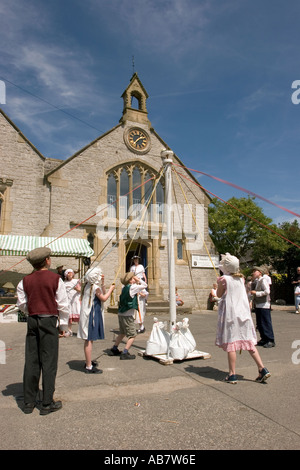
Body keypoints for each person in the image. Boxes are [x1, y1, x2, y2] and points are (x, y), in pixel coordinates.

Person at [16, 247, 70, 415]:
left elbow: (22, 305)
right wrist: (63, 327)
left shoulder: (24, 281)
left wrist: (33, 311)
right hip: (49, 320)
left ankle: (28, 402)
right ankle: (46, 403)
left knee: (32, 360)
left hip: (32, 320)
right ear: (47, 260)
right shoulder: (56, 279)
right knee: (49, 361)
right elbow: (63, 305)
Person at [215, 253, 271, 384]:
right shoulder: (241, 279)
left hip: (231, 315)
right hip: (244, 314)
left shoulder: (224, 279)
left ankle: (232, 374)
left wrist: (219, 284)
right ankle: (262, 368)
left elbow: (219, 294)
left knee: (231, 343)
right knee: (249, 343)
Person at [77, 267, 115, 373]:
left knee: (89, 339)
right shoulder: (94, 288)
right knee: (89, 340)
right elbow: (103, 298)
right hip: (91, 316)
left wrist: (103, 283)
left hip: (90, 314)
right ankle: (88, 366)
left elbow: (102, 292)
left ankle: (88, 361)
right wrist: (111, 289)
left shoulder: (89, 286)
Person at [109, 272, 147, 359]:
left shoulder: (124, 287)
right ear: (130, 280)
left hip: (121, 313)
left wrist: (135, 280)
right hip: (127, 314)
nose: (135, 278)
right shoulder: (133, 287)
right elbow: (145, 285)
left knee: (122, 332)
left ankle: (114, 348)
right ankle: (125, 352)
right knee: (132, 335)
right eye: (133, 278)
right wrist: (139, 279)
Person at [251, 266, 275, 348]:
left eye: (255, 271)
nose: (253, 273)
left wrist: (257, 293)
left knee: (265, 322)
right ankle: (264, 338)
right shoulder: (257, 281)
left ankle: (270, 339)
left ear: (260, 272)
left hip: (264, 304)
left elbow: (267, 291)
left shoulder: (263, 280)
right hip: (258, 304)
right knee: (260, 323)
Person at [64, 268, 81, 336]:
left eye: (71, 272)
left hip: (75, 300)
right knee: (69, 316)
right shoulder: (64, 283)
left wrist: (77, 289)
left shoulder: (76, 281)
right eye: (68, 273)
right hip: (68, 301)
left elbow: (81, 290)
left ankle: (81, 330)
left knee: (78, 314)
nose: (70, 274)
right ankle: (69, 330)